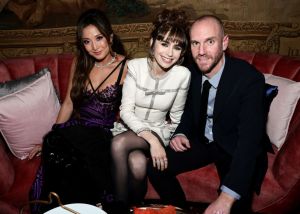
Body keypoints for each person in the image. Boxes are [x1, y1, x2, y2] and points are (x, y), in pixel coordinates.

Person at [147, 15, 269, 214]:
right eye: (195, 43)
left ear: (224, 42)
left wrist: (227, 198)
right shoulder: (191, 72)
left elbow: (249, 142)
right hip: (203, 141)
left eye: (209, 42)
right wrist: (180, 132)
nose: (201, 52)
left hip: (233, 144)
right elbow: (187, 110)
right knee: (155, 166)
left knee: (236, 203)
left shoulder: (249, 79)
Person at [32, 8, 128, 210]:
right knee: (54, 144)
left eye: (99, 38)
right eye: (87, 41)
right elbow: (68, 103)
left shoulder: (126, 67)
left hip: (100, 134)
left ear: (110, 36)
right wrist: (53, 135)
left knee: (75, 151)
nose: (94, 47)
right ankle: (63, 208)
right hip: (76, 129)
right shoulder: (80, 62)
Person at [110, 9, 191, 208]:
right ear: (151, 42)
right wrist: (150, 139)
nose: (170, 53)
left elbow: (177, 116)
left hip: (160, 131)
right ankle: (134, 207)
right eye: (164, 44)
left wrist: (162, 139)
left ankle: (118, 209)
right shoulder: (135, 67)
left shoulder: (182, 75)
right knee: (137, 166)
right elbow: (126, 111)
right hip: (131, 128)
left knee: (118, 144)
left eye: (177, 47)